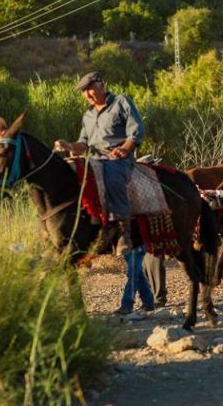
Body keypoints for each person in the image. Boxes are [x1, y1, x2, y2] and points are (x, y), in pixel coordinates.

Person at [55, 71, 152, 314]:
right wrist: (68, 146)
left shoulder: (121, 102)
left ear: (101, 84)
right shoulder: (88, 115)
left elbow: (136, 130)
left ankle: (122, 231)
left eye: (90, 88)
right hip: (95, 160)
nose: (87, 94)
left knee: (111, 175)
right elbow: (83, 144)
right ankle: (83, 229)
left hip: (118, 159)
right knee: (70, 174)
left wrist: (126, 148)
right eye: (83, 91)